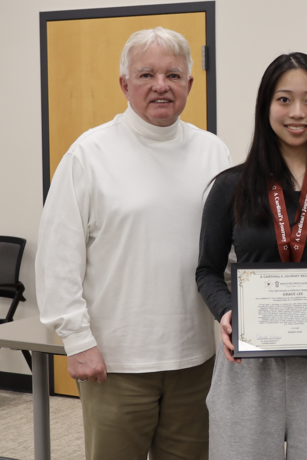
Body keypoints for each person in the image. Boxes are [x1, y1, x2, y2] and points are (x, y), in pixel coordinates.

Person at [35, 27, 232, 460]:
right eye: (146, 74)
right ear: (125, 84)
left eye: (173, 75)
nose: (161, 86)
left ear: (189, 85)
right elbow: (57, 257)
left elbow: (231, 251)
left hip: (195, 360)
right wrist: (77, 340)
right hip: (115, 362)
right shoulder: (89, 155)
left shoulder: (214, 153)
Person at [196, 52, 307, 460]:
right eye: (284, 99)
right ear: (265, 107)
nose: (297, 113)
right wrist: (226, 311)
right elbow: (206, 271)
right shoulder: (229, 188)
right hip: (248, 363)